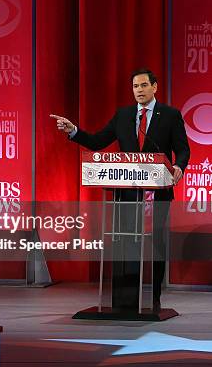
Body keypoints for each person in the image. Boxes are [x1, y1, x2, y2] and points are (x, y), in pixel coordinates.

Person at [51, 68, 190, 312]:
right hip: (126, 193)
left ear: (155, 87)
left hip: (158, 192)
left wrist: (178, 166)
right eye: (135, 86)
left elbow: (183, 149)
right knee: (128, 243)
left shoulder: (170, 115)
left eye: (144, 85)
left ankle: (154, 297)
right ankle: (126, 296)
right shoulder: (123, 116)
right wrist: (74, 131)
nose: (139, 90)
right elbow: (96, 142)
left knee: (156, 244)